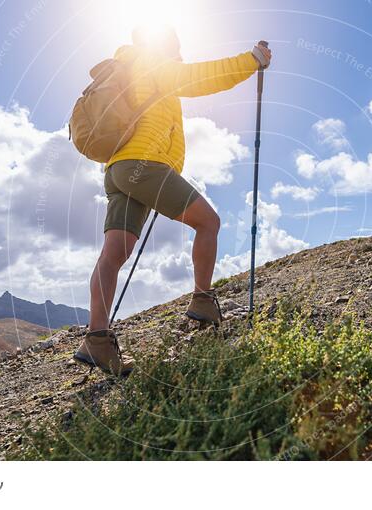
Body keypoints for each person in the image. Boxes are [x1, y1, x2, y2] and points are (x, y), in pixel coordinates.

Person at [73, 26, 272, 375]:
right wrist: (250, 61)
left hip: (119, 170)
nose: (178, 54)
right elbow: (203, 77)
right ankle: (202, 300)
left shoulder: (131, 69)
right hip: (144, 166)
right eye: (175, 48)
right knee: (208, 222)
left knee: (114, 252)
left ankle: (97, 340)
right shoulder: (152, 65)